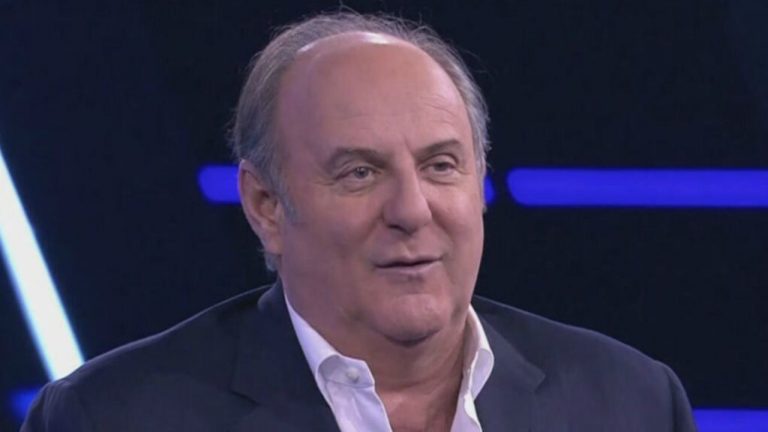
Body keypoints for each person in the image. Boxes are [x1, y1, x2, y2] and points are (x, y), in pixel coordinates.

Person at [22, 12, 697, 432]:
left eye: (441, 166)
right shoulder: (111, 418)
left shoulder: (631, 403)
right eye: (359, 173)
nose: (412, 211)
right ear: (265, 206)